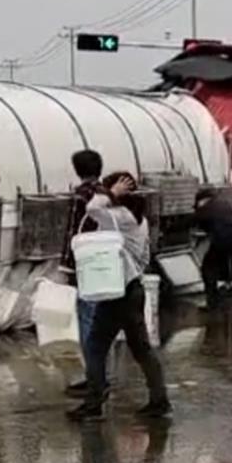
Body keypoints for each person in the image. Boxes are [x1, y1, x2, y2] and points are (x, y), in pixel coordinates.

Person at [68, 172, 170, 421]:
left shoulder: (120, 217)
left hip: (118, 291)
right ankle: (159, 399)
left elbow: (92, 209)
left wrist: (112, 192)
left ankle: (95, 399)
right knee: (140, 348)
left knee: (95, 346)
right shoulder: (138, 219)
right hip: (132, 288)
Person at [61, 149, 107, 399]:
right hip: (106, 262)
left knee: (88, 320)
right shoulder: (107, 193)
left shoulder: (81, 197)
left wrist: (66, 265)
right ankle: (98, 375)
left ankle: (94, 381)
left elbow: (72, 231)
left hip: (84, 262)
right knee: (100, 319)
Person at [195, 187, 232, 310]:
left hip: (223, 239)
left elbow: (195, 224)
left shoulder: (205, 208)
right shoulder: (227, 204)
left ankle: (212, 302)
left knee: (208, 267)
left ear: (202, 200)